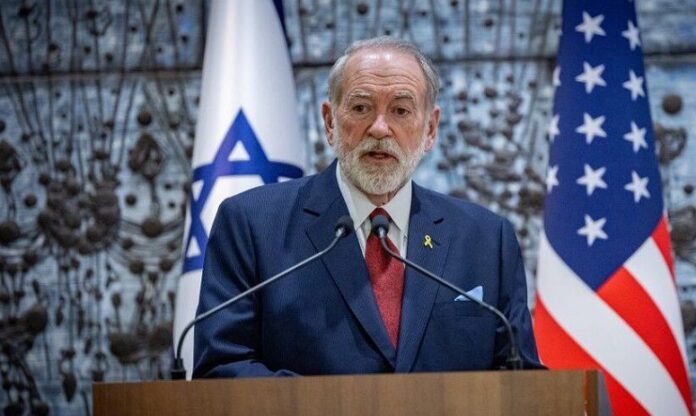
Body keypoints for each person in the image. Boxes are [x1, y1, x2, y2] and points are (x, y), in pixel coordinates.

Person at [193, 36, 542, 378]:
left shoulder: (487, 240)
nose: (379, 128)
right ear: (330, 122)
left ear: (431, 129)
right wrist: (332, 404)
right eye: (361, 108)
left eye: (401, 111)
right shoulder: (253, 225)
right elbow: (222, 367)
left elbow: (520, 378)